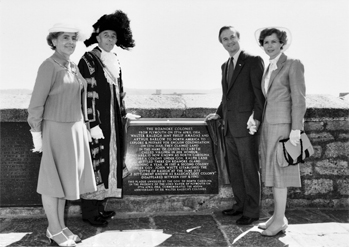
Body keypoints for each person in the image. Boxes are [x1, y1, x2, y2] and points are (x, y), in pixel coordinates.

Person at [28, 22, 97, 246]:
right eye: (64, 37)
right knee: (51, 182)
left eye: (73, 38)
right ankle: (55, 230)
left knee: (64, 182)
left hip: (74, 128)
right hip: (55, 128)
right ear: (54, 41)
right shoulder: (48, 66)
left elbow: (79, 100)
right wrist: (36, 134)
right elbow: (36, 104)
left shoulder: (73, 66)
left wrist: (85, 127)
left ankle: (59, 227)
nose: (69, 42)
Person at [78, 10, 139, 227]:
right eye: (106, 35)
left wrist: (124, 113)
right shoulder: (88, 60)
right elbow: (85, 94)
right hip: (97, 125)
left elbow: (118, 93)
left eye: (113, 36)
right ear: (98, 36)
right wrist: (92, 123)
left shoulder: (114, 60)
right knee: (95, 164)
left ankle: (100, 207)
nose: (110, 39)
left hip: (113, 123)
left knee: (109, 164)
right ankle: (89, 212)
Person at [206, 26, 265, 225]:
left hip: (247, 127)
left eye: (232, 37)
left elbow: (259, 94)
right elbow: (227, 97)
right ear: (221, 43)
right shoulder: (225, 66)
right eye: (225, 39)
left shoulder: (253, 61)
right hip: (230, 128)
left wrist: (256, 118)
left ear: (238, 37)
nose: (229, 41)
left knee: (249, 169)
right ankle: (240, 205)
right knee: (235, 170)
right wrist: (218, 113)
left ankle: (252, 211)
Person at [255, 27, 306, 236]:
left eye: (273, 42)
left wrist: (296, 129)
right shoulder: (269, 67)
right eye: (266, 42)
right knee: (273, 174)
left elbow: (299, 99)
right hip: (269, 127)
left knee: (280, 174)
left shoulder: (293, 64)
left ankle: (279, 220)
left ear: (282, 43)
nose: (269, 46)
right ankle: (278, 217)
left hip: (284, 128)